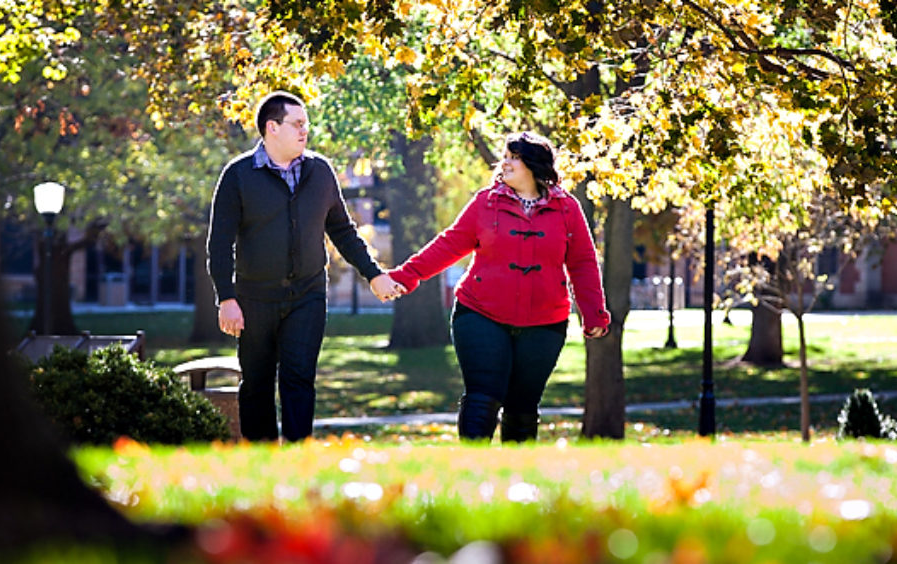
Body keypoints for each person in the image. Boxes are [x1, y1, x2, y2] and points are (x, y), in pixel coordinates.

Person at [384, 132, 611, 442]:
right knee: (483, 395)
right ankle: (473, 473)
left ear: (533, 163)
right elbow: (449, 244)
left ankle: (514, 480)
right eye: (505, 156)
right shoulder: (486, 202)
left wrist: (594, 313)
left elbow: (583, 262)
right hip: (480, 313)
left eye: (513, 157)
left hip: (545, 321)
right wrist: (405, 275)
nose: (505, 162)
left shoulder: (567, 208)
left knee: (523, 405)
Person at [206, 91, 404, 442]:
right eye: (297, 124)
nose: (305, 131)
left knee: (299, 378)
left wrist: (373, 274)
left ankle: (299, 457)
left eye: (306, 124)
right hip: (254, 298)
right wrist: (227, 298)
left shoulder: (320, 171)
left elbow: (342, 230)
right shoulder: (238, 176)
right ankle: (262, 461)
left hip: (308, 295)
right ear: (272, 128)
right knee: (257, 382)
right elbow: (220, 244)